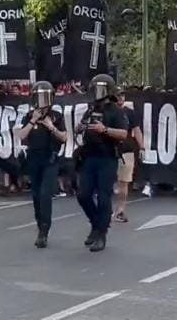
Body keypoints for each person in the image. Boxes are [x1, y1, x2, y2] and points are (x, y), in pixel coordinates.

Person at [75, 74, 128, 252]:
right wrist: (81, 127)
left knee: (104, 197)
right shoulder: (91, 109)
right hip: (89, 157)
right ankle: (95, 224)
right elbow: (82, 124)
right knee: (83, 194)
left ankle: (101, 233)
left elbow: (123, 134)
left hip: (107, 158)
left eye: (100, 89)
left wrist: (105, 130)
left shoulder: (116, 110)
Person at [15, 81, 67, 248]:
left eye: (46, 97)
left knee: (45, 194)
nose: (43, 101)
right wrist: (33, 121)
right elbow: (21, 136)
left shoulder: (56, 116)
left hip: (50, 159)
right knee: (36, 195)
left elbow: (64, 138)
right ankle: (40, 225)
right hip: (33, 159)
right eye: (39, 97)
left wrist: (51, 127)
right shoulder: (29, 115)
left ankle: (44, 230)